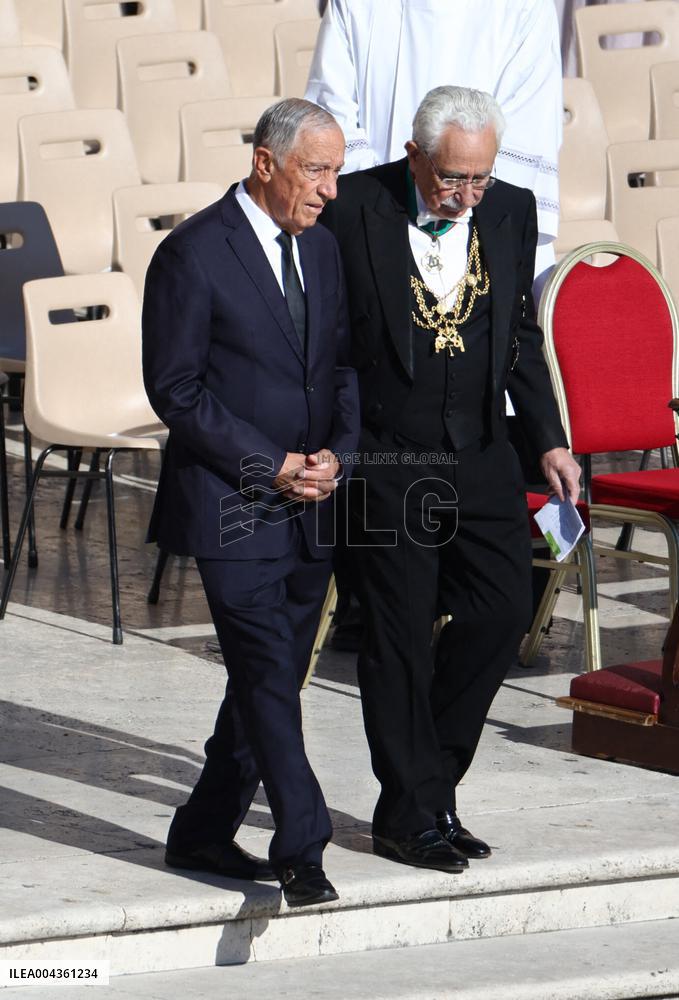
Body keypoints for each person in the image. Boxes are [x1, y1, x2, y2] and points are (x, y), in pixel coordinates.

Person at [321, 85, 580, 872]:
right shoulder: (352, 207)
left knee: (501, 611)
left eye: (478, 179)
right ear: (414, 156)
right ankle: (412, 813)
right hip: (388, 455)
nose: (466, 196)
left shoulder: (508, 210)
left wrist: (547, 441)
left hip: (478, 450)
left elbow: (520, 337)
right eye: (451, 181)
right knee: (397, 636)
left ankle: (427, 786)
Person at [142, 99, 360, 907]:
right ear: (265, 163)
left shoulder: (324, 251)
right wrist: (271, 466)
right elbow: (176, 388)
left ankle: (200, 829)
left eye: (335, 170)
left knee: (263, 680)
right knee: (268, 670)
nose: (330, 189)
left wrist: (340, 450)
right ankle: (303, 846)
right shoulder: (193, 253)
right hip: (230, 500)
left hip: (314, 500)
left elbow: (340, 366)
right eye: (317, 170)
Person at [305, 0, 562, 278]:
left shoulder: (526, 6)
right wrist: (383, 202)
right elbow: (331, 110)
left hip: (479, 225)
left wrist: (465, 192)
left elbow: (529, 122)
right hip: (372, 220)